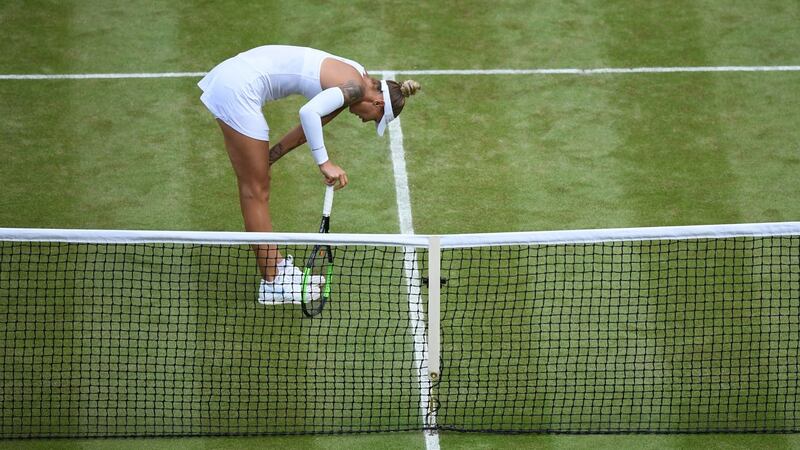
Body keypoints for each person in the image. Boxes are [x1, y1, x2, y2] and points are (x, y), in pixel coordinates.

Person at [197, 45, 421, 305]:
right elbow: (308, 113)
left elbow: (308, 127)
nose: (366, 121)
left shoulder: (358, 77)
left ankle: (277, 267)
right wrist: (324, 162)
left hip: (236, 77)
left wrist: (270, 157)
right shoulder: (354, 89)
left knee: (259, 184)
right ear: (378, 103)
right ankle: (272, 282)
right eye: (374, 119)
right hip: (238, 89)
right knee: (254, 190)